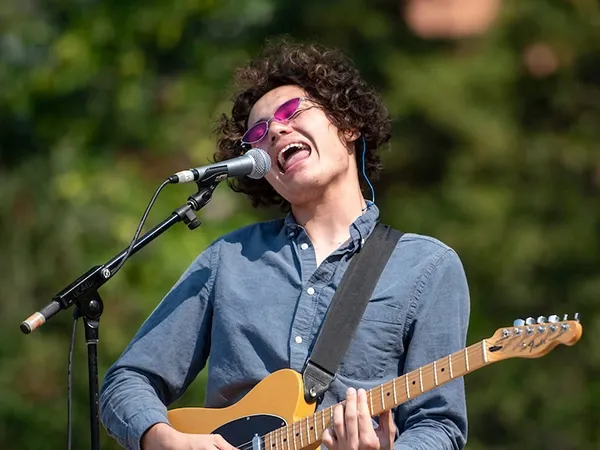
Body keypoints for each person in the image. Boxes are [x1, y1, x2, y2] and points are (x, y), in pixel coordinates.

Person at [99, 39, 470, 450]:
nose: (275, 130)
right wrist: (163, 439)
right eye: (258, 133)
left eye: (291, 112)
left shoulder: (427, 266)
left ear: (347, 124)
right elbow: (127, 381)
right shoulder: (229, 259)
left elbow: (439, 427)